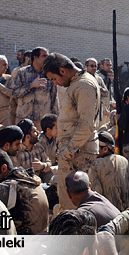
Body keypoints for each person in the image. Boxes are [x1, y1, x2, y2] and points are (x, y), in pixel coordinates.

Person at [43, 52, 100, 211]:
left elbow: (86, 124)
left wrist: (68, 151)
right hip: (74, 151)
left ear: (62, 70)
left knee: (71, 207)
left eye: (54, 79)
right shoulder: (78, 83)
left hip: (77, 153)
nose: (55, 83)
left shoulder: (83, 85)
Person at [0, 149, 49, 235]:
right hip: (42, 238)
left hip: (26, 243)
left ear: (4, 168)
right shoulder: (30, 180)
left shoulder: (8, 187)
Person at [11, 46, 59, 130]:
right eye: (43, 56)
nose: (46, 59)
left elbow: (54, 98)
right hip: (23, 118)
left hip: (42, 120)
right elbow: (15, 93)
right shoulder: (22, 72)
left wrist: (55, 118)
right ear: (35, 57)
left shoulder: (49, 74)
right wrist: (30, 85)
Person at [89, 130, 129, 211]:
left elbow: (96, 196)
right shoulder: (124, 160)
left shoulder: (95, 165)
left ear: (105, 149)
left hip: (107, 215)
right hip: (125, 214)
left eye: (95, 147)